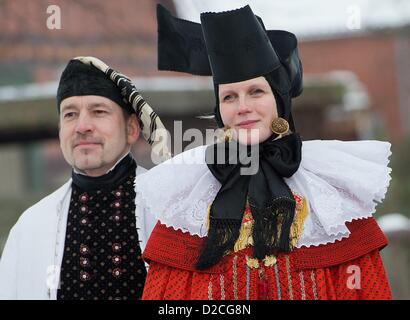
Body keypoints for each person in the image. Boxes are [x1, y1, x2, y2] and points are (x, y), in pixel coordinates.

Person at [137, 5, 393, 300]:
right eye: (229, 96)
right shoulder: (187, 201)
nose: (243, 106)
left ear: (279, 102)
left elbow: (367, 290)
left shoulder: (331, 194)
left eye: (256, 92)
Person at [0, 56, 169, 300]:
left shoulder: (171, 211)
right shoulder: (31, 227)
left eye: (98, 111)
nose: (82, 126)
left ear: (131, 128)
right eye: (70, 114)